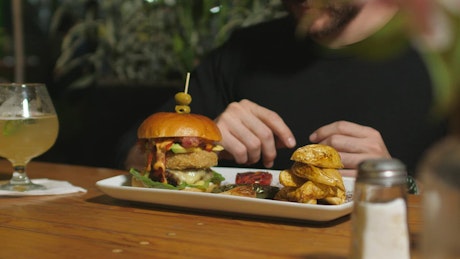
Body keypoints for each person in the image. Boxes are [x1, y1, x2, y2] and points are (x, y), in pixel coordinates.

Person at [124, 0, 447, 177]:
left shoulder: (442, 57)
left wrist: (391, 181)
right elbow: (128, 157)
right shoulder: (244, 49)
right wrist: (196, 145)